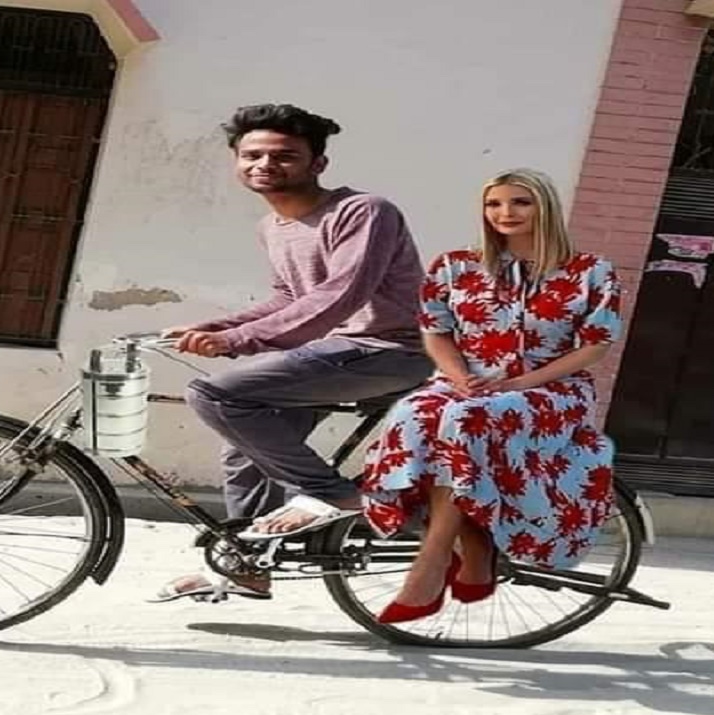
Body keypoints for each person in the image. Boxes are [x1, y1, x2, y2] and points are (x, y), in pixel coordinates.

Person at [152, 103, 432, 602]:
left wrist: (238, 341)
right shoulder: (272, 227)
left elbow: (342, 293)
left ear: (318, 163)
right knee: (244, 445)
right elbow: (288, 298)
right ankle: (247, 564)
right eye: (252, 155)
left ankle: (334, 495)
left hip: (389, 350)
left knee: (215, 395)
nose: (265, 164)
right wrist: (215, 327)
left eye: (284, 156)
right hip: (332, 352)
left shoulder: (363, 211)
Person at [360, 168, 623, 624]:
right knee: (414, 412)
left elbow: (595, 345)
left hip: (552, 390)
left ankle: (431, 562)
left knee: (468, 419)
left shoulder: (590, 271)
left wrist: (521, 382)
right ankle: (477, 547)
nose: (505, 212)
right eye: (494, 204)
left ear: (545, 207)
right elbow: (436, 332)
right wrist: (460, 377)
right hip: (467, 382)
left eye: (520, 202)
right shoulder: (455, 266)